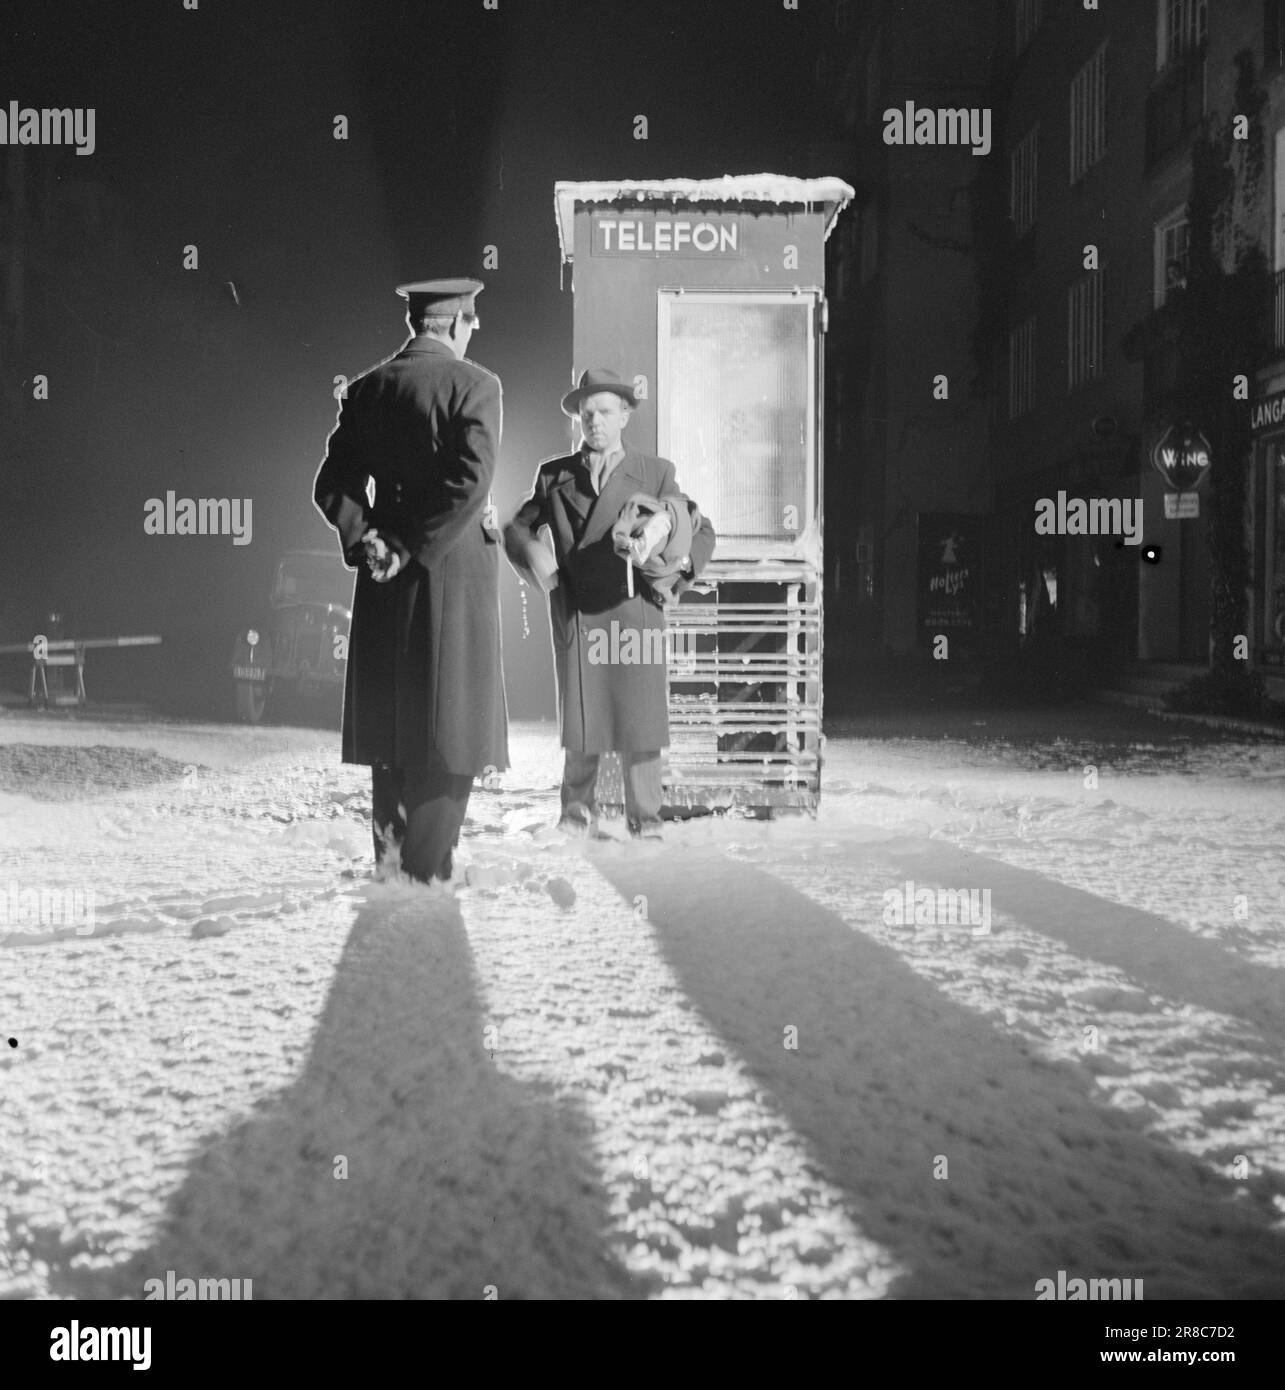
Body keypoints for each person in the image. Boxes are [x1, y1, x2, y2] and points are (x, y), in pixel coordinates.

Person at [313, 278, 508, 882]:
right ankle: (426, 872)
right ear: (454, 324)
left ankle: (390, 863)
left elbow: (332, 484)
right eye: (471, 326)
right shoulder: (476, 384)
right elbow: (470, 483)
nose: (471, 336)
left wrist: (369, 537)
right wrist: (411, 547)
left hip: (383, 582)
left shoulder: (369, 389)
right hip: (449, 572)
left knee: (391, 726)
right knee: (454, 727)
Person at [504, 368, 715, 839]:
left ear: (624, 415)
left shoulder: (656, 473)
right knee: (582, 725)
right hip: (579, 614)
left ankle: (647, 822)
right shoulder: (554, 475)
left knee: (640, 728)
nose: (594, 421)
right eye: (586, 413)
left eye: (604, 412)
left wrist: (677, 573)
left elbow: (698, 528)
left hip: (634, 615)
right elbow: (516, 529)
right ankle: (575, 820)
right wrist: (540, 563)